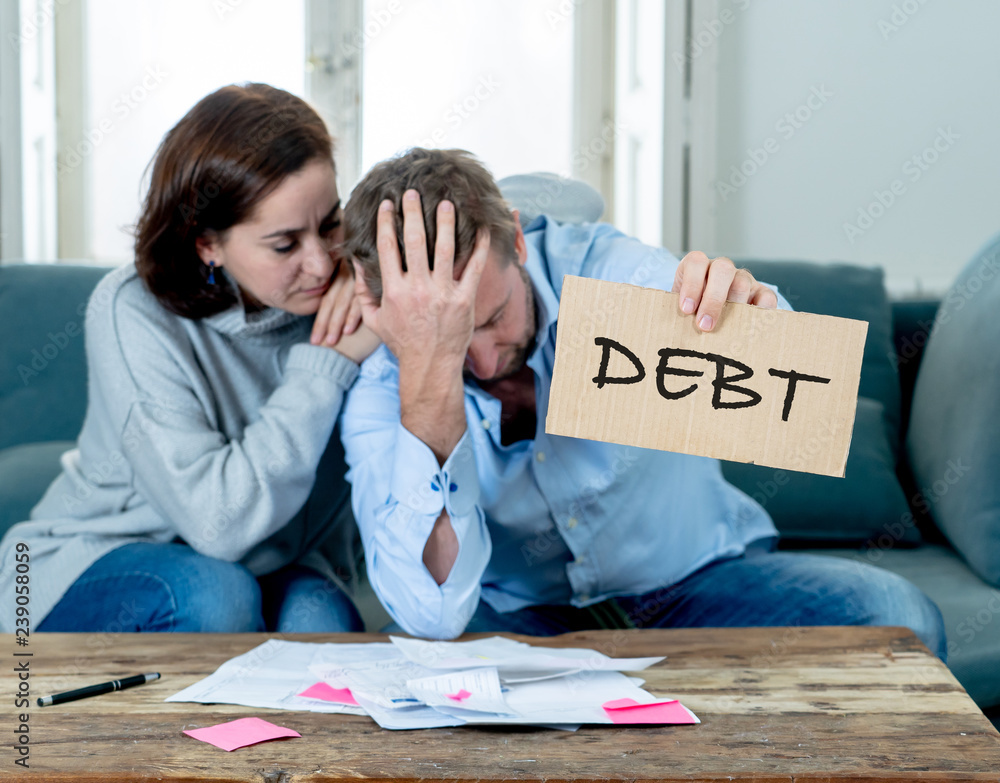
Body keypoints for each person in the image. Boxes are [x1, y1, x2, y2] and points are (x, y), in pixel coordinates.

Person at [339, 147, 947, 657]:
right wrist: (428, 371)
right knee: (421, 666)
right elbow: (432, 613)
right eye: (445, 338)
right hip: (521, 616)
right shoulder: (381, 386)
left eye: (493, 318)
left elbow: (782, 383)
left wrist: (748, 314)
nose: (484, 363)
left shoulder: (608, 276)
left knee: (899, 617)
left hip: (697, 583)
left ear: (518, 243)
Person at [0, 84, 380, 634]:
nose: (322, 265)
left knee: (323, 623)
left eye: (330, 224)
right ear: (209, 245)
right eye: (284, 244)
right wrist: (327, 364)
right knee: (214, 596)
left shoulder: (354, 291)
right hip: (95, 557)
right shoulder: (131, 309)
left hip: (267, 565)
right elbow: (218, 525)